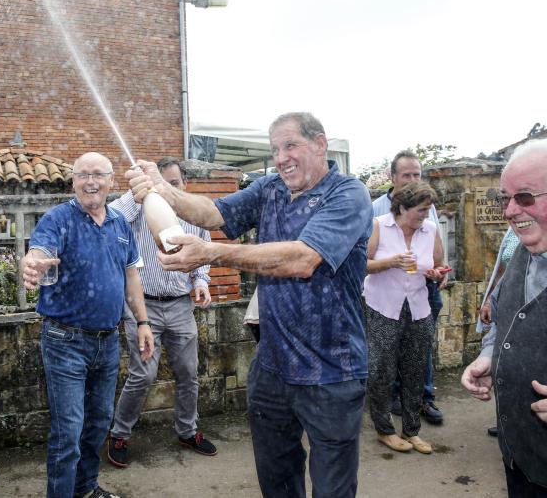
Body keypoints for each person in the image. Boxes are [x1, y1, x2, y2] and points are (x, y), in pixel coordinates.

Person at [127, 112, 372, 497]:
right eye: (275, 149)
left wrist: (210, 253)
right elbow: (215, 213)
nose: (281, 157)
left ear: (320, 144)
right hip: (272, 366)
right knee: (276, 479)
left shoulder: (348, 194)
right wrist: (164, 191)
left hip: (332, 369)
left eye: (290, 145)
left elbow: (302, 259)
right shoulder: (270, 188)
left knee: (333, 487)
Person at [21, 152, 155, 498]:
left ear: (112, 181)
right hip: (65, 340)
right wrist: (33, 263)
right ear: (73, 181)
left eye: (98, 175)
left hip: (107, 342)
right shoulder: (58, 219)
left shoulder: (120, 224)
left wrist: (142, 321)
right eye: (82, 175)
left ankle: (86, 488)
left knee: (97, 425)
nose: (90, 182)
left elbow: (131, 276)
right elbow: (38, 250)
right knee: (68, 432)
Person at [107, 157, 215, 469]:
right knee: (143, 374)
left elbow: (204, 253)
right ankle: (119, 434)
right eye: (161, 182)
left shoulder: (194, 214)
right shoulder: (141, 206)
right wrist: (138, 193)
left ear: (185, 185)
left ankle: (187, 430)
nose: (167, 189)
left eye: (174, 183)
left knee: (188, 372)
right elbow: (110, 216)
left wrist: (201, 281)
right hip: (144, 306)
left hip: (182, 305)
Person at [462, 139, 547, 497]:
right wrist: (489, 356)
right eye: (505, 199)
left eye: (524, 197)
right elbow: (503, 319)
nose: (510, 210)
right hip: (522, 458)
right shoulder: (524, 253)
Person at [364, 181, 446, 454]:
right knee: (381, 371)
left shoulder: (430, 230)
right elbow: (360, 264)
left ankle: (412, 431)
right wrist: (392, 262)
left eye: (428, 210)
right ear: (402, 207)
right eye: (421, 210)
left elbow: (437, 267)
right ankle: (384, 430)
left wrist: (437, 275)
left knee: (415, 371)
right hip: (382, 307)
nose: (425, 215)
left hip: (419, 308)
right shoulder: (379, 225)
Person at [476, 226, 519, 438]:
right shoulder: (513, 230)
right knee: (506, 362)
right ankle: (506, 420)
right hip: (508, 297)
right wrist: (491, 298)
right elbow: (502, 268)